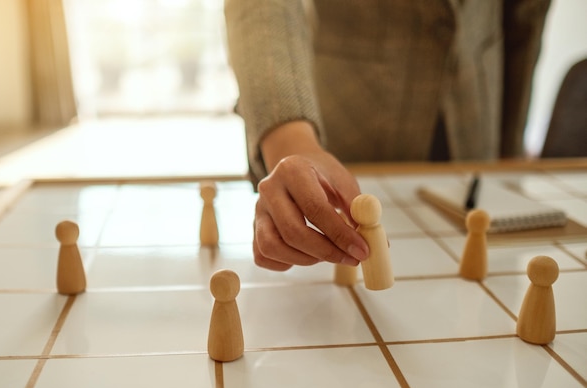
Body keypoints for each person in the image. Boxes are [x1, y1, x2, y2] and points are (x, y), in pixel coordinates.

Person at [224, 0, 551, 271]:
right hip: (350, 119)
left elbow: (526, 11)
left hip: (476, 114)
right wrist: (289, 140)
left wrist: (509, 148)